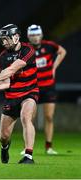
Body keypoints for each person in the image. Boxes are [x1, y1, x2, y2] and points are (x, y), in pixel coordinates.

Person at [0, 24, 39, 164]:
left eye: (6, 39)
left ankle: (28, 156)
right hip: (11, 97)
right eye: (2, 40)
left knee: (26, 118)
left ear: (16, 37)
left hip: (29, 92)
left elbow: (11, 70)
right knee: (3, 136)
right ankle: (4, 147)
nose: (4, 42)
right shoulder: (1, 58)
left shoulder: (28, 50)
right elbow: (7, 83)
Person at [20, 24, 66, 155]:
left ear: (41, 35)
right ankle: (26, 147)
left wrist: (54, 67)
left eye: (37, 34)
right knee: (29, 118)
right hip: (32, 87)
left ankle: (48, 147)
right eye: (32, 35)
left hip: (49, 87)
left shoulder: (49, 46)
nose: (35, 37)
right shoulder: (26, 49)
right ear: (29, 36)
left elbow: (63, 51)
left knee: (49, 116)